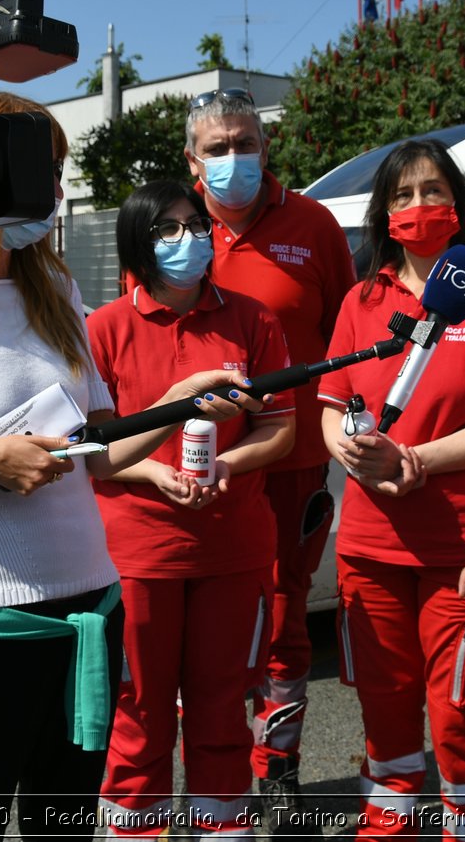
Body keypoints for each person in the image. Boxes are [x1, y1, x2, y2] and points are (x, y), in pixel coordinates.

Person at [0, 95, 252, 839]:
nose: (53, 187)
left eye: (57, 169)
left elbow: (98, 453)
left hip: (90, 613)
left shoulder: (56, 289)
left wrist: (175, 402)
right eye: (40, 167)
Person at [317, 138, 465, 839]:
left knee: (461, 715)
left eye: (435, 191)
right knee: (385, 715)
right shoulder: (361, 300)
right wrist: (355, 454)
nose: (420, 206)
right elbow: (331, 406)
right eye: (404, 195)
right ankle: (387, 829)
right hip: (369, 547)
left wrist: (417, 458)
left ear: (459, 205)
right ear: (384, 212)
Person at [86, 180, 296, 839]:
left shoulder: (253, 319)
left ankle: (223, 830)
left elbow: (282, 429)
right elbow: (95, 451)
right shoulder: (105, 326)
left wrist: (228, 463)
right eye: (168, 229)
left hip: (231, 552)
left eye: (194, 224)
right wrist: (156, 471)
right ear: (139, 244)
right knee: (137, 714)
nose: (188, 239)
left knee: (220, 712)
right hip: (138, 557)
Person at [181, 88, 357, 812]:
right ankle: (210, 785)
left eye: (243, 142)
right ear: (191, 159)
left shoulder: (313, 224)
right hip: (198, 464)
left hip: (291, 463)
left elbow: (347, 337)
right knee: (204, 629)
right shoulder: (170, 226)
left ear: (264, 146)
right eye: (216, 147)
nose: (233, 158)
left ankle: (277, 775)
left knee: (285, 621)